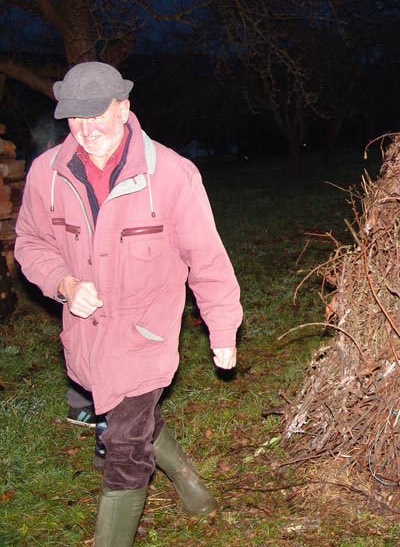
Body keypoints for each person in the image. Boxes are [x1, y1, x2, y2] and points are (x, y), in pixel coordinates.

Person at [14, 62, 242, 546]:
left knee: (123, 446)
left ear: (124, 108)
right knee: (129, 421)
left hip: (146, 336)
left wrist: (223, 328)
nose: (85, 128)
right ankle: (190, 482)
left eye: (96, 113)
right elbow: (30, 242)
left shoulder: (173, 174)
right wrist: (65, 284)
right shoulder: (46, 174)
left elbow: (207, 259)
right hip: (86, 337)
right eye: (74, 117)